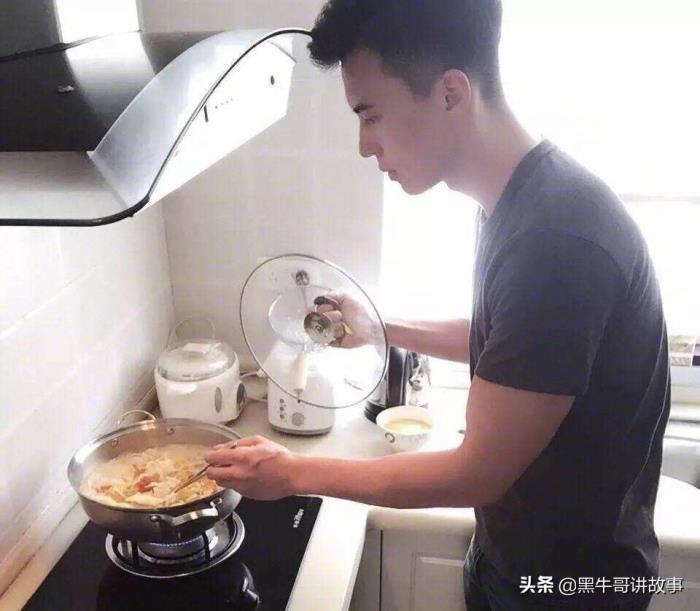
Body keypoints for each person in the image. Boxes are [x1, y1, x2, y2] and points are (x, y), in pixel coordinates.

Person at [205, 2, 670, 608]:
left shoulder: (556, 241)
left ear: (452, 93)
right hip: (519, 556)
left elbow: (476, 473)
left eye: (371, 115)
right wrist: (380, 326)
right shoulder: (524, 202)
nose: (364, 146)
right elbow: (516, 347)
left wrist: (294, 472)